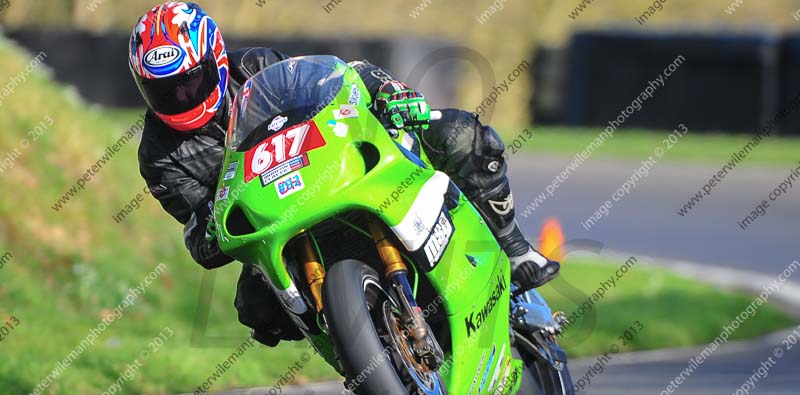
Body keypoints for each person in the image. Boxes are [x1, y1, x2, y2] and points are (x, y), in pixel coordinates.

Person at [129, 2, 559, 346]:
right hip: (277, 221)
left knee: (457, 133)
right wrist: (210, 233)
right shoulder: (159, 155)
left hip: (333, 170)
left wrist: (389, 92)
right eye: (163, 90)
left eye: (189, 81)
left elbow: (337, 78)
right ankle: (361, 347)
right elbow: (200, 226)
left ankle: (515, 247)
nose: (180, 96)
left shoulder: (255, 66)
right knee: (256, 308)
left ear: (216, 61)